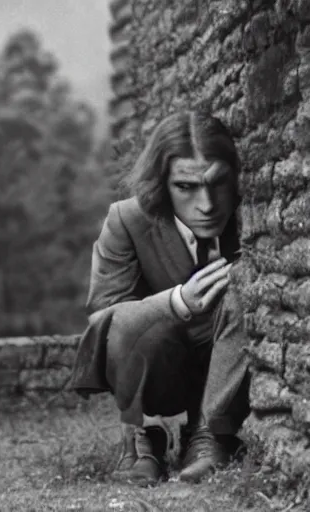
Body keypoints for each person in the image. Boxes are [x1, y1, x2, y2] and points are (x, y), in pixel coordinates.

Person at [69, 111, 250, 486]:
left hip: (227, 366)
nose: (207, 204)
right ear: (162, 185)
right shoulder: (126, 221)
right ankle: (142, 439)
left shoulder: (250, 214)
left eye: (217, 184)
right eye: (186, 187)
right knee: (133, 330)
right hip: (159, 366)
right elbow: (104, 320)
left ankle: (210, 437)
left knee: (243, 294)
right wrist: (177, 302)